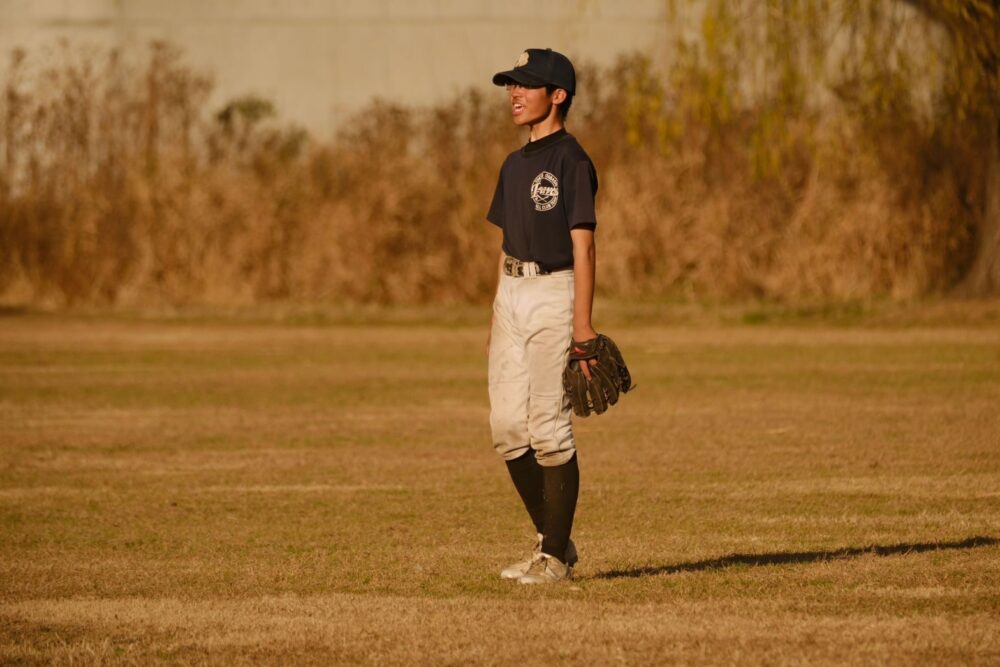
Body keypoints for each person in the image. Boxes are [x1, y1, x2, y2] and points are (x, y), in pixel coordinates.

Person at [486, 48, 599, 584]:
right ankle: (555, 541)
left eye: (526, 85)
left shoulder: (571, 161)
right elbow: (505, 246)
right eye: (511, 85)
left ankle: (553, 555)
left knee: (550, 430)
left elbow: (584, 249)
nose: (514, 93)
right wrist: (496, 320)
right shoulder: (514, 165)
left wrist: (583, 327)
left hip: (554, 292)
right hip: (510, 295)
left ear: (558, 95)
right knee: (507, 428)